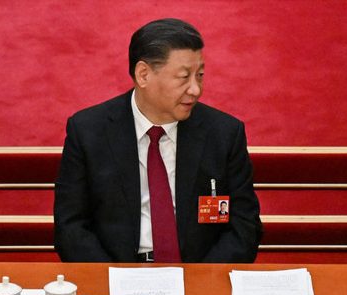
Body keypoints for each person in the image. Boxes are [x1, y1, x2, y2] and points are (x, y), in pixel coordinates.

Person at [55, 18, 262, 263]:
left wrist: (203, 280)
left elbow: (244, 226)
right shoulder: (89, 131)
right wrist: (112, 279)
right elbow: (71, 227)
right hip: (116, 276)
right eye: (183, 77)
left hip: (199, 275)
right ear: (143, 74)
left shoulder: (224, 133)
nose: (195, 89)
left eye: (200, 75)